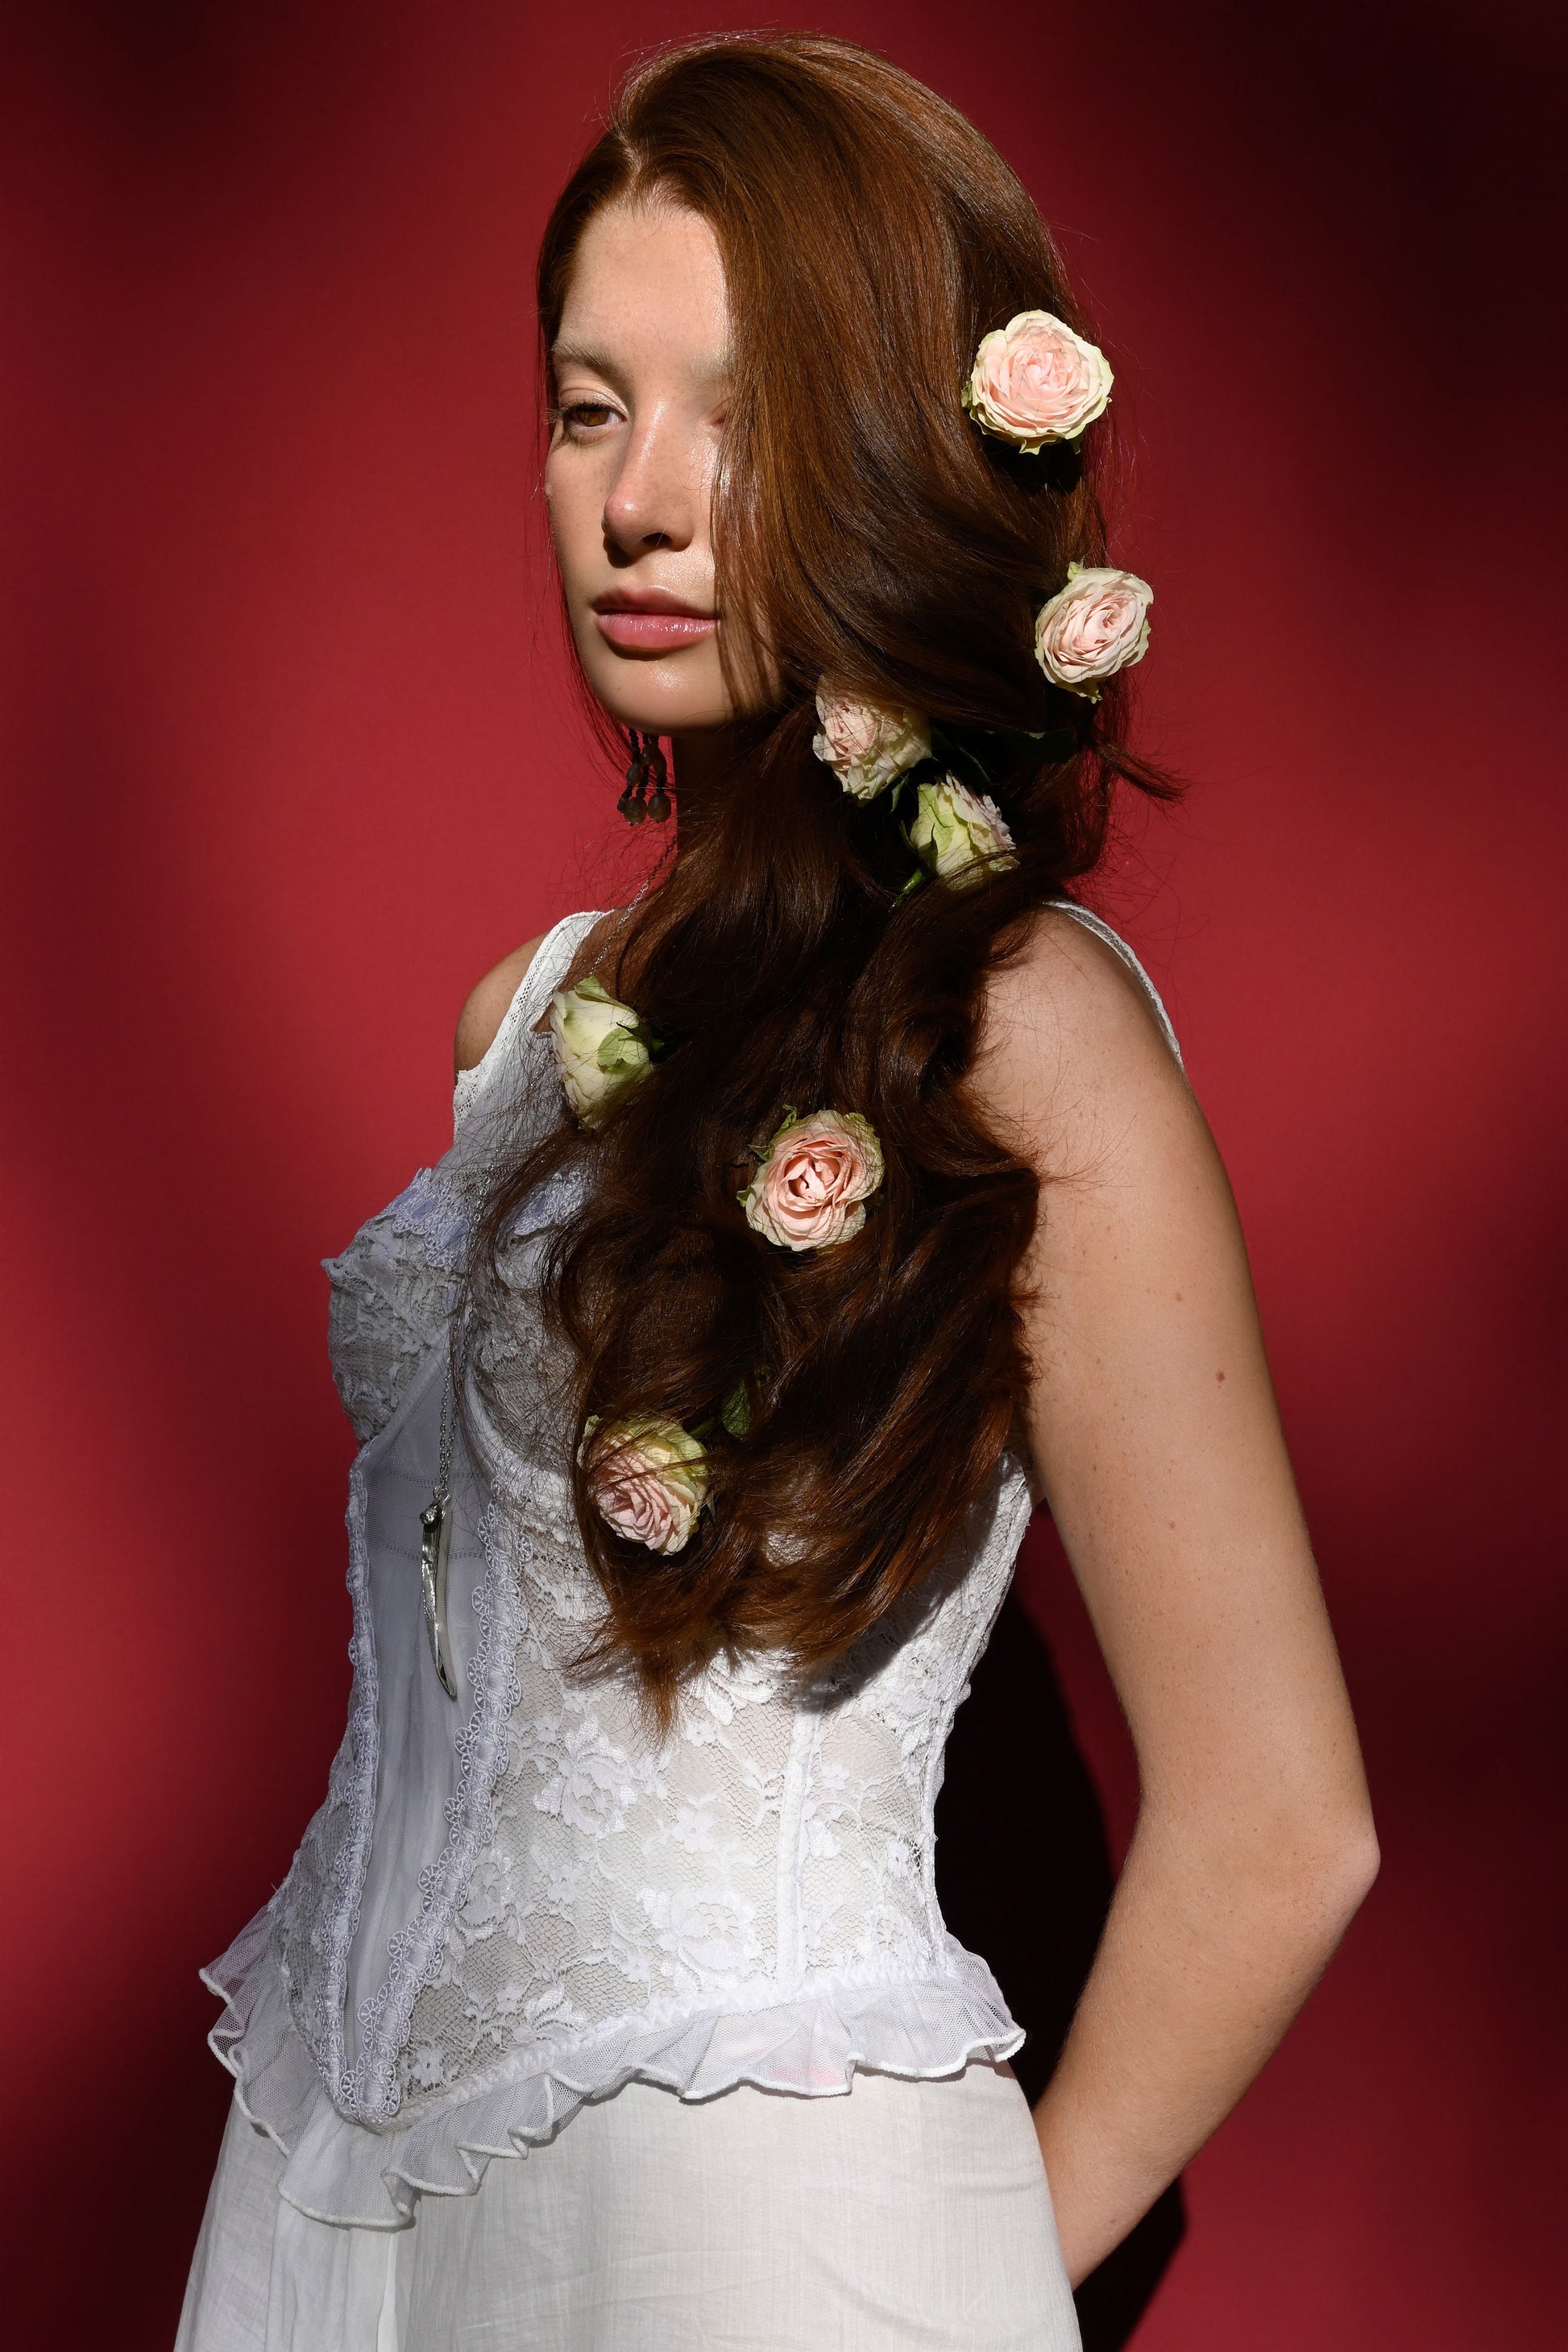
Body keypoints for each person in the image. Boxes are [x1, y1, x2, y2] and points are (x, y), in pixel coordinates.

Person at [176, 33, 1378, 2352]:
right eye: (584, 406)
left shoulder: (1012, 1022)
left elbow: (1279, 1817)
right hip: (341, 2204)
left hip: (748, 2229)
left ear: (896, 454)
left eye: (735, 414)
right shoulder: (529, 1023)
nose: (635, 502)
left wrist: (949, 2283)